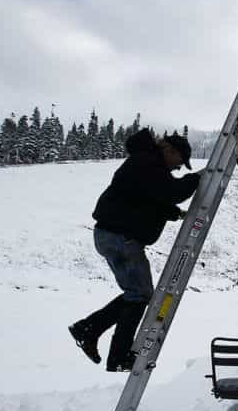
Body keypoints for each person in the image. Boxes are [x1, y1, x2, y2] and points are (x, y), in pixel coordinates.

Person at [69, 128, 201, 371]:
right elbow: (169, 192)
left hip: (113, 235)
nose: (178, 169)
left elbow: (150, 198)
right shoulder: (148, 162)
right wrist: (200, 178)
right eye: (180, 163)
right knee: (140, 295)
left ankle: (89, 329)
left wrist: (174, 213)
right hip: (121, 237)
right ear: (169, 150)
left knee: (136, 294)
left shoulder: (147, 163)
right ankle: (115, 353)